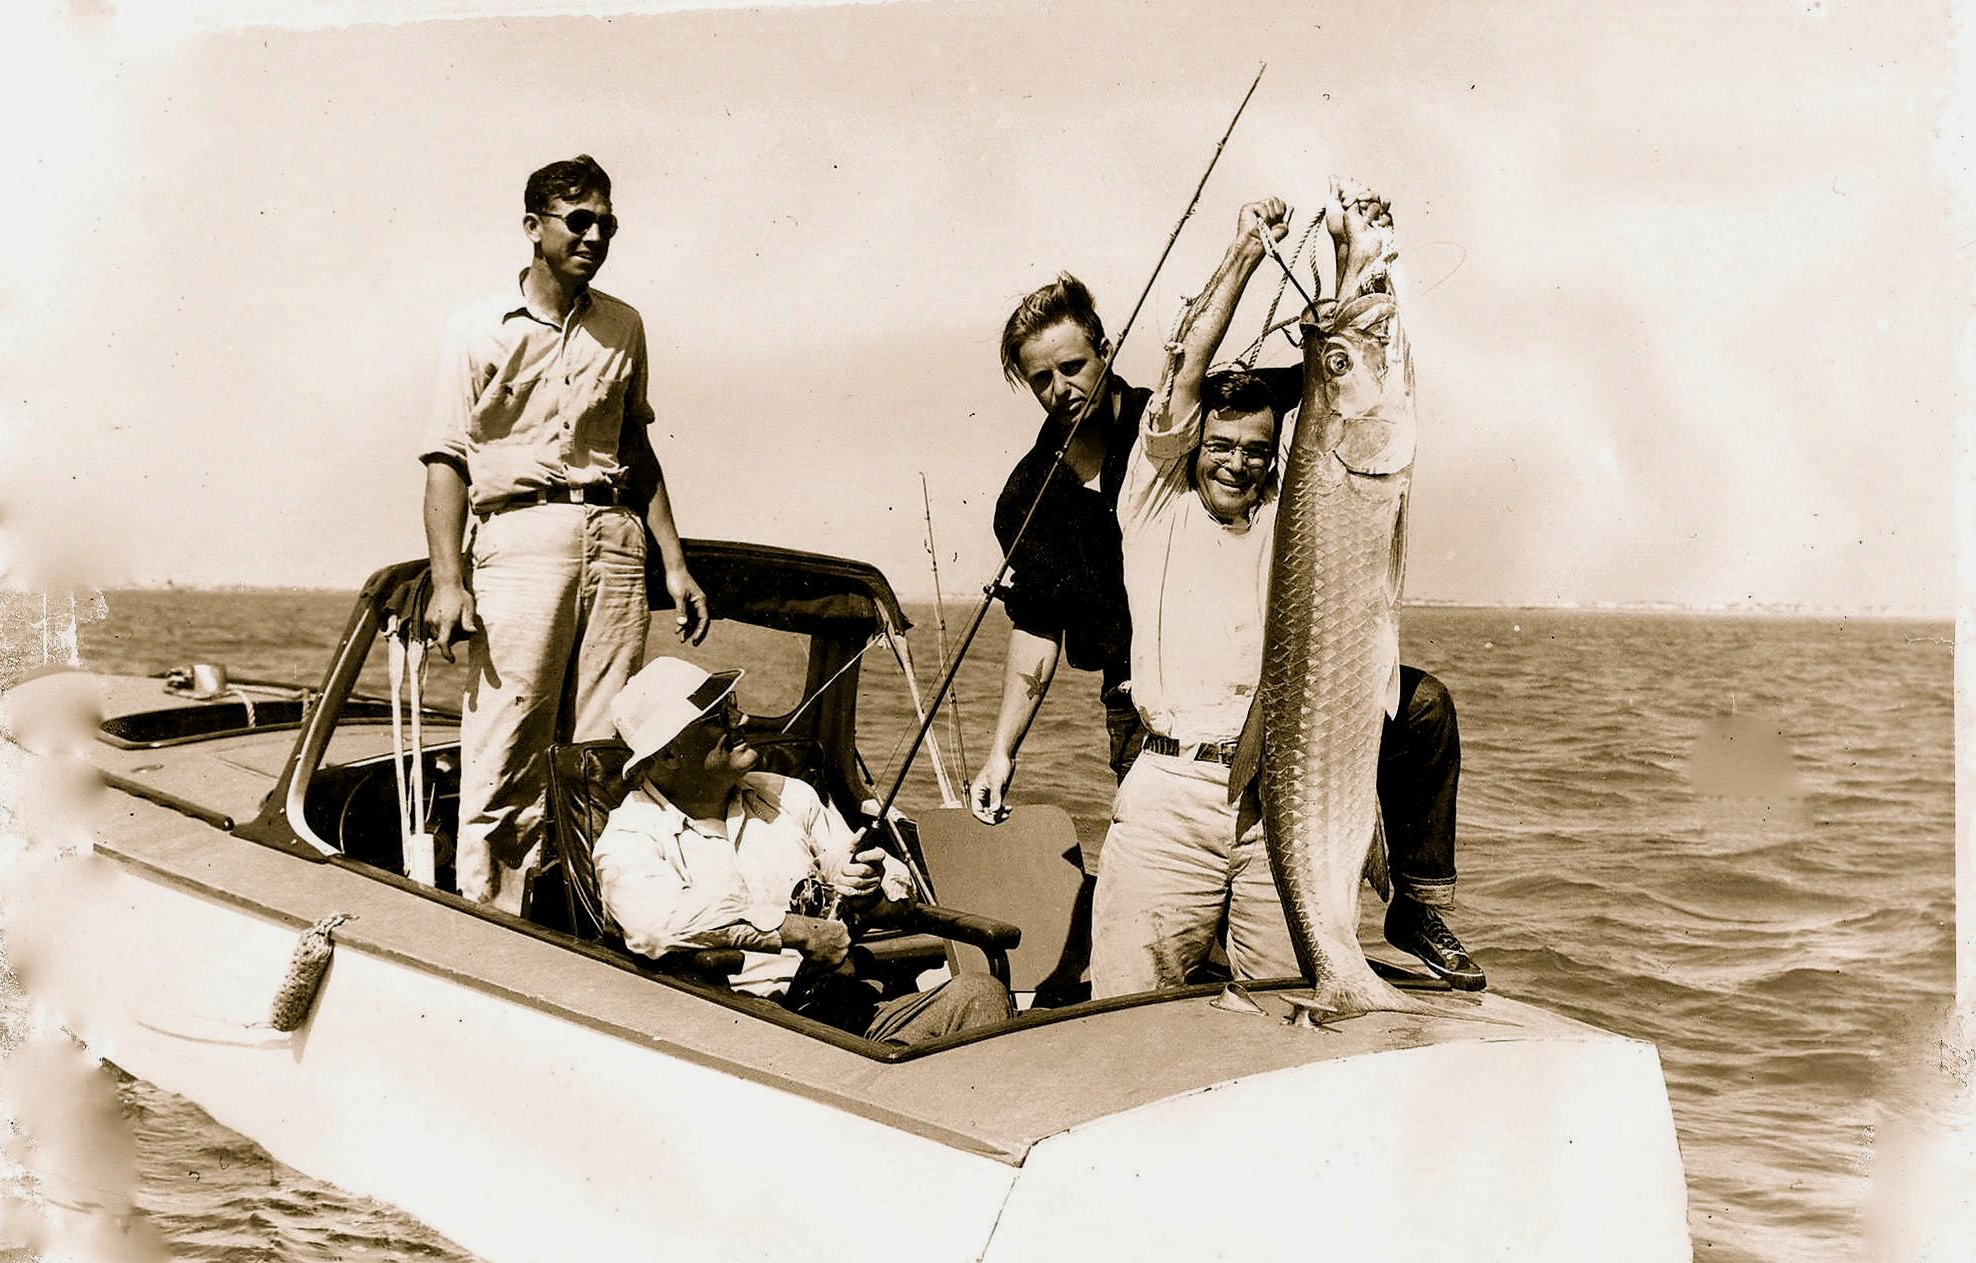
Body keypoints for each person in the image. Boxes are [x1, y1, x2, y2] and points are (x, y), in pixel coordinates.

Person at [1089, 194, 1485, 996]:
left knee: (1283, 1012)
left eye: (1257, 451)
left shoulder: (1294, 510)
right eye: (1221, 446)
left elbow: (1352, 401)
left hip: (1281, 795)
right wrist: (1241, 254)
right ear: (1192, 444)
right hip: (1170, 795)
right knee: (1126, 1013)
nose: (1237, 462)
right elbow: (1182, 374)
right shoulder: (1154, 499)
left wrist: (1358, 255)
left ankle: (1396, 926)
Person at [419, 154, 711, 914]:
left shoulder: (625, 325)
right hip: (520, 538)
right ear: (533, 229)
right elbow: (447, 460)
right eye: (577, 221)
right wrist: (449, 582)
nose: (594, 236)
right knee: (507, 743)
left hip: (616, 539)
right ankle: (490, 918)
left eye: (606, 224)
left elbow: (636, 449)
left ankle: (590, 918)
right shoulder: (476, 329)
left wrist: (674, 564)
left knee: (607, 744)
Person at [593, 657, 1013, 1047]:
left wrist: (871, 886)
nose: (741, 719)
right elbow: (656, 924)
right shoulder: (628, 838)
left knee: (980, 994)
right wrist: (794, 930)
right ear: (668, 753)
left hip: (843, 1011)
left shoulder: (790, 795)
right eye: (718, 716)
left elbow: (882, 880)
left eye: (732, 705)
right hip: (737, 1030)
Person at [967, 275, 1149, 821]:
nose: (1061, 389)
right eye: (1041, 379)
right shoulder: (1027, 496)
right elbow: (1038, 626)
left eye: (1072, 368)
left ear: (1106, 352)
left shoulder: (1170, 426)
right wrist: (1002, 752)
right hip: (1135, 704)